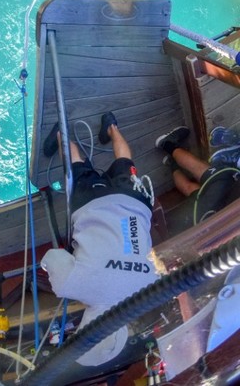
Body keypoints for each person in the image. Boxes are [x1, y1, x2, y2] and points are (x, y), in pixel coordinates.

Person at [40, 112, 159, 368]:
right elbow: (52, 257)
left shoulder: (150, 289)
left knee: (125, 162)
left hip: (135, 204)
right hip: (92, 206)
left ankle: (112, 126)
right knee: (77, 168)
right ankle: (60, 133)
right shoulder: (72, 286)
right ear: (82, 330)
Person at [155, 126, 240, 228]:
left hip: (225, 192)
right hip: (208, 219)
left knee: (200, 169)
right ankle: (172, 162)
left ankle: (166, 144)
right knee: (190, 189)